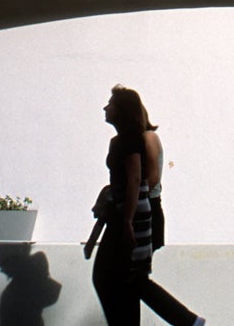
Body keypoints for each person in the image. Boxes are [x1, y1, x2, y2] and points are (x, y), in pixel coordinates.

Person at [92, 85, 206, 326]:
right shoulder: (124, 141)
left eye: (111, 104)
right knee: (127, 280)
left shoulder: (145, 138)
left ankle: (188, 321)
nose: (105, 108)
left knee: (129, 278)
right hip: (133, 211)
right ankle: (188, 321)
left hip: (144, 213)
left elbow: (148, 179)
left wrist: (124, 210)